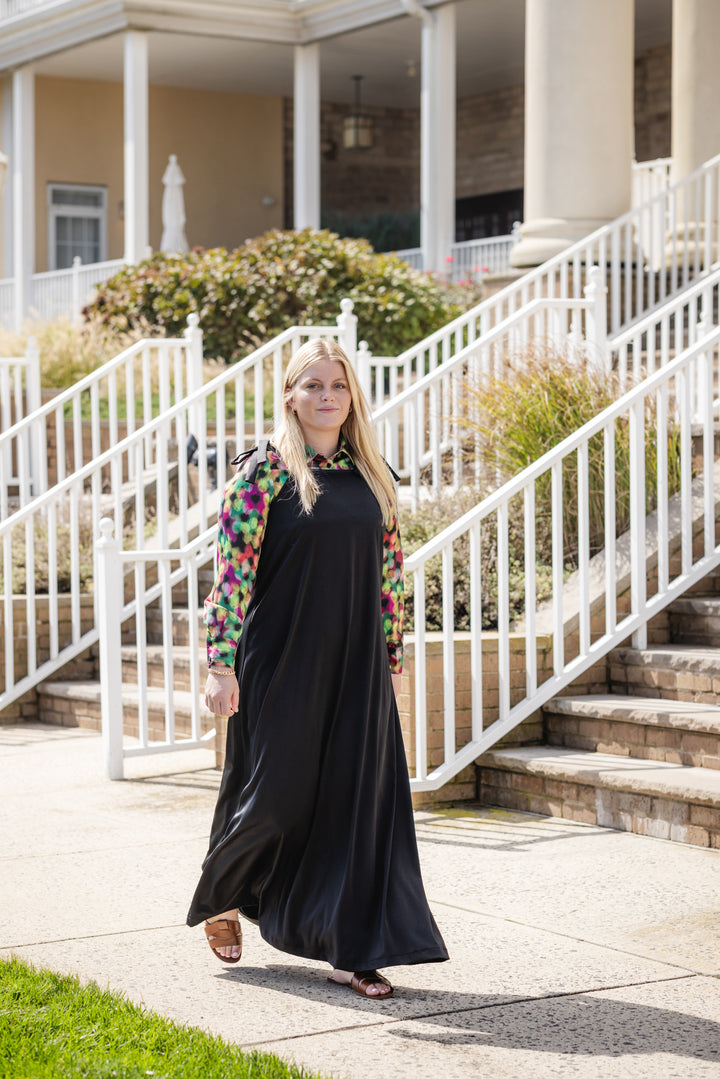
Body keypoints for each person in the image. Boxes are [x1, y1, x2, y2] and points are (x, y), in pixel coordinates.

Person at [187, 337, 448, 999]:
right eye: (313, 385)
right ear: (290, 396)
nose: (327, 396)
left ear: (351, 395)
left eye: (337, 385)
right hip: (282, 659)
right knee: (276, 796)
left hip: (358, 661)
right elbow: (231, 576)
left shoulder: (371, 474)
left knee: (355, 808)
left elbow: (389, 576)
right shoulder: (265, 471)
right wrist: (221, 664)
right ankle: (223, 890)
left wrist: (391, 658)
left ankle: (351, 949)